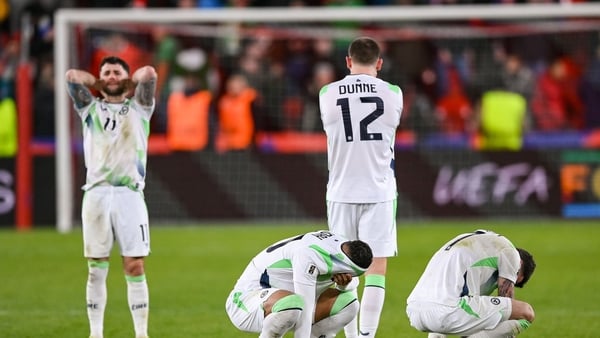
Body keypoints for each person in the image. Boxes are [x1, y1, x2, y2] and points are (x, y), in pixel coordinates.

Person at [65, 56, 157, 338]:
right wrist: (99, 83)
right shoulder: (89, 107)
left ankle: (141, 334)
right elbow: (71, 75)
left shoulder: (141, 107)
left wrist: (123, 81)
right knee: (96, 268)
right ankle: (96, 333)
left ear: (128, 79)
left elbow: (149, 72)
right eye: (106, 72)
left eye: (117, 71)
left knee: (135, 264)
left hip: (130, 194)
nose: (112, 75)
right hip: (96, 194)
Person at [319, 36, 403, 338]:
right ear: (379, 63)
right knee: (375, 268)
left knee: (344, 269)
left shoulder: (327, 93)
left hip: (341, 191)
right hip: (378, 191)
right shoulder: (394, 93)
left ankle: (352, 337)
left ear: (347, 61)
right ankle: (367, 336)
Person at [225, 230, 373, 338]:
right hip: (245, 303)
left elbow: (352, 285)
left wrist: (342, 285)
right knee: (293, 304)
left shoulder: (341, 248)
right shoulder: (310, 255)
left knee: (349, 305)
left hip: (288, 303)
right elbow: (305, 309)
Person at [406, 230, 537, 338]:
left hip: (415, 311)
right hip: (447, 312)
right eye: (515, 278)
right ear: (518, 267)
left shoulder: (476, 243)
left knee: (473, 309)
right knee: (526, 313)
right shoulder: (511, 253)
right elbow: (506, 308)